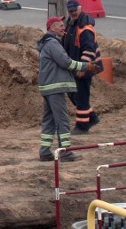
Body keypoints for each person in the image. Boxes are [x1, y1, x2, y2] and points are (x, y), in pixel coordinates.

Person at [38, 16, 98, 162]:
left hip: (48, 87)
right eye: (59, 25)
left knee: (49, 120)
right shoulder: (53, 44)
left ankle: (45, 151)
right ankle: (65, 152)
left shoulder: (48, 43)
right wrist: (86, 66)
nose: (63, 28)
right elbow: (66, 62)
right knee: (62, 120)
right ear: (51, 27)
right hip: (55, 87)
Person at [63, 0, 102, 134]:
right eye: (70, 11)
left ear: (80, 9)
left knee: (81, 96)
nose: (73, 13)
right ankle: (92, 118)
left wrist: (83, 68)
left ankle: (82, 126)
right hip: (77, 65)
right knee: (74, 95)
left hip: (86, 66)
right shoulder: (71, 24)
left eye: (75, 10)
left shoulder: (84, 28)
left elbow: (89, 50)